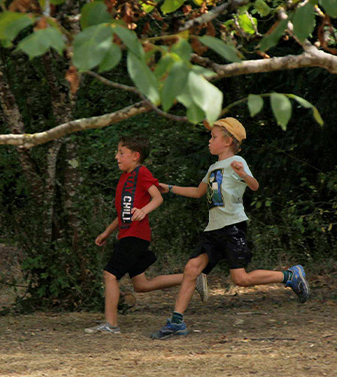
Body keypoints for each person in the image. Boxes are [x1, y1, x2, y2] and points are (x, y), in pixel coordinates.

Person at [150, 117, 310, 340]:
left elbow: (254, 185)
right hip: (213, 229)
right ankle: (177, 322)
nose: (209, 141)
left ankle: (289, 275)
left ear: (227, 141)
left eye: (213, 137)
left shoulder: (238, 161)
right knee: (191, 269)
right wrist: (168, 187)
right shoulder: (213, 167)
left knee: (240, 279)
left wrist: (243, 174)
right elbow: (198, 192)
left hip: (232, 227)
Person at [85, 136, 208, 334]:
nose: (117, 157)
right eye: (117, 153)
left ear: (135, 156)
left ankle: (111, 325)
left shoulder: (141, 173)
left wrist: (144, 210)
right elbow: (123, 214)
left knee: (110, 275)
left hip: (135, 236)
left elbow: (157, 197)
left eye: (121, 153)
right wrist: (107, 232)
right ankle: (193, 277)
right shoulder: (124, 178)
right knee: (141, 285)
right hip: (127, 235)